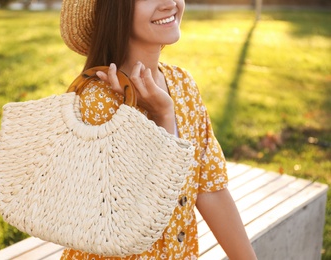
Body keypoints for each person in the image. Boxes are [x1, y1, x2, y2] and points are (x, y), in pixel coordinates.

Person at [59, 0, 257, 259]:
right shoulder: (98, 101)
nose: (170, 3)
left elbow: (210, 189)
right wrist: (163, 116)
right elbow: (132, 213)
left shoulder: (183, 84)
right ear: (116, 9)